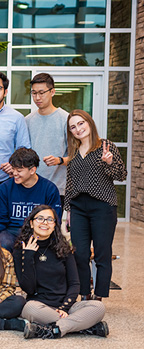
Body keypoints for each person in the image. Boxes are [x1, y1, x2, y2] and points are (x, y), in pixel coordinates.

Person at [14, 205, 108, 339]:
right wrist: (28, 256)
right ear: (31, 223)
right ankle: (83, 328)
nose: (44, 223)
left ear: (54, 226)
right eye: (40, 218)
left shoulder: (62, 248)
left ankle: (53, 329)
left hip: (67, 307)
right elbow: (28, 289)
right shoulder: (20, 249)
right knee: (29, 308)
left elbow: (75, 283)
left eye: (49, 220)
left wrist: (64, 307)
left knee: (98, 307)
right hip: (40, 307)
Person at [65, 109, 127, 300]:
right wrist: (67, 209)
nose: (78, 129)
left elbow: (121, 175)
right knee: (80, 254)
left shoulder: (106, 146)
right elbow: (70, 181)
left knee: (102, 253)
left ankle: (99, 296)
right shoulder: (73, 151)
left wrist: (108, 162)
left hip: (103, 207)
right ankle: (84, 295)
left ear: (89, 123)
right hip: (78, 208)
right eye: (73, 127)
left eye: (81, 123)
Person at [0, 148, 62, 252]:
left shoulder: (49, 189)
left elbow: (55, 220)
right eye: (13, 169)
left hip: (38, 230)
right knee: (3, 242)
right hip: (12, 230)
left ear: (32, 170)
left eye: (19, 170)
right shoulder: (4, 189)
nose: (14, 173)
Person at [25, 73, 69, 200]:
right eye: (34, 93)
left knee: (52, 220)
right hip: (30, 186)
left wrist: (59, 160)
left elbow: (77, 157)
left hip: (57, 188)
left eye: (41, 92)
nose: (37, 97)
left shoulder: (66, 119)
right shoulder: (27, 120)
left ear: (52, 92)